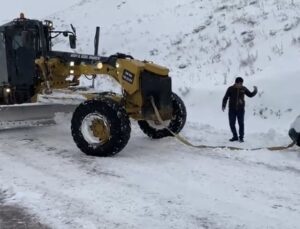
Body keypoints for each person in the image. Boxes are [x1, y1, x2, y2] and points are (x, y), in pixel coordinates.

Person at [222, 77, 257, 142]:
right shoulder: (230, 89)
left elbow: (250, 95)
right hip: (232, 109)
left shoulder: (243, 89)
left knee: (241, 123)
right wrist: (223, 105)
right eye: (239, 83)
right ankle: (235, 136)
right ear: (236, 83)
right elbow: (225, 97)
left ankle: (241, 137)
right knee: (232, 123)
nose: (241, 85)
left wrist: (255, 91)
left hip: (240, 109)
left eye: (241, 83)